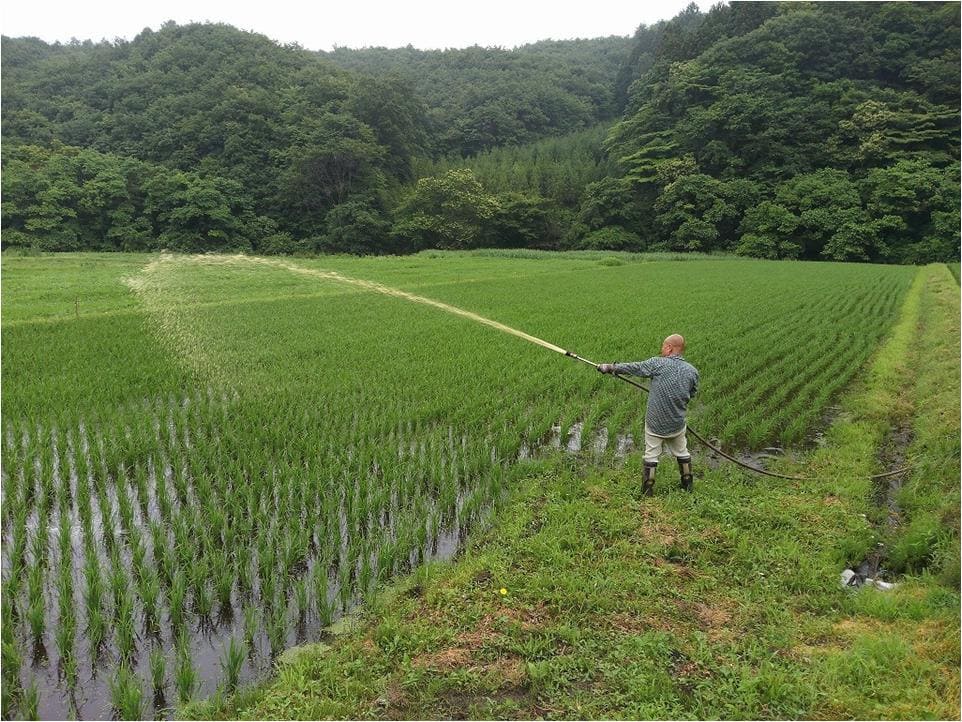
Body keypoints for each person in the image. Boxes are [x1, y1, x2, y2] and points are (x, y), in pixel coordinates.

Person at [598, 334, 699, 495]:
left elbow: (635, 368)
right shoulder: (692, 371)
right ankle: (687, 486)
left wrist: (610, 367)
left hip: (655, 423)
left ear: (669, 348)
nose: (662, 349)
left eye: (663, 346)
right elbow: (692, 394)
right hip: (677, 423)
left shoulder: (657, 363)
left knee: (651, 454)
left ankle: (647, 490)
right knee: (682, 452)